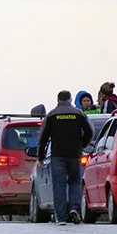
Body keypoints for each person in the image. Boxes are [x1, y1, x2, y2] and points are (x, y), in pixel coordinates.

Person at [36, 90, 94, 225]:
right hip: (75, 154)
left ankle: (61, 217)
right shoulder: (78, 114)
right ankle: (75, 209)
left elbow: (43, 137)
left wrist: (41, 156)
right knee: (75, 182)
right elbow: (89, 131)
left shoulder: (51, 115)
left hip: (58, 155)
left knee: (59, 185)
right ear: (70, 99)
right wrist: (82, 144)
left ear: (58, 100)